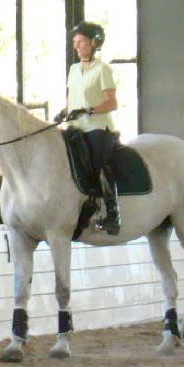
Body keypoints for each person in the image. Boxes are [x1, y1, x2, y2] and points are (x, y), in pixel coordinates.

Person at [55, 21, 120, 235]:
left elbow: (112, 103)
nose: (77, 46)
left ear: (94, 43)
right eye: (75, 42)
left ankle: (112, 213)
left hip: (97, 127)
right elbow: (74, 99)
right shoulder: (73, 70)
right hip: (75, 127)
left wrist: (88, 110)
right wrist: (65, 112)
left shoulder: (103, 69)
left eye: (81, 41)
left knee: (98, 163)